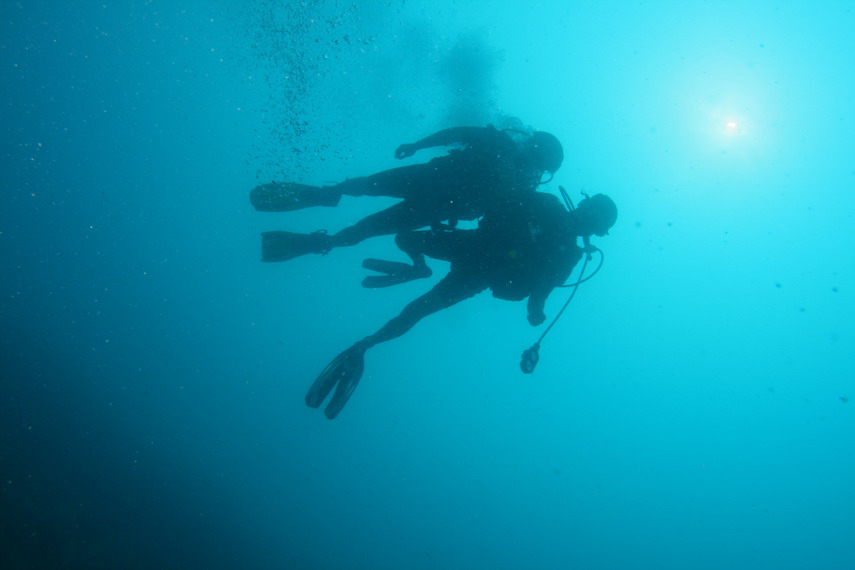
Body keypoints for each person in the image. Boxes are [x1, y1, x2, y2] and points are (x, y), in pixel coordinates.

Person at [305, 191, 618, 419]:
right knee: (406, 238)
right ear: (582, 203)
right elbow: (499, 201)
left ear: (597, 231)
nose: (587, 217)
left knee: (418, 310)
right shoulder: (547, 203)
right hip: (472, 245)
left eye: (594, 218)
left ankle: (365, 345)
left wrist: (535, 311)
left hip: (479, 275)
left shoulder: (570, 255)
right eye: (590, 210)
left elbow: (543, 288)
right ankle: (418, 268)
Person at [251, 126, 564, 263]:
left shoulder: (517, 194)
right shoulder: (499, 144)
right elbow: (456, 133)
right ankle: (327, 194)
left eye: (536, 162)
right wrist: (417, 145)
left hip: (430, 203)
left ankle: (322, 240)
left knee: (366, 227)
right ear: (529, 144)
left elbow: (494, 227)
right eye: (532, 153)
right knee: (365, 188)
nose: (528, 162)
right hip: (426, 184)